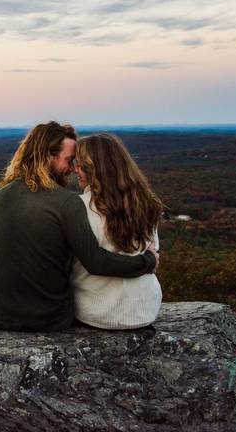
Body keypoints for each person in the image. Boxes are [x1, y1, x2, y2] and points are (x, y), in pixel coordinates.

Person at [0, 122, 159, 331]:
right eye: (69, 160)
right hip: (50, 318)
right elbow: (96, 262)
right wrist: (147, 261)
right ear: (48, 156)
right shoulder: (67, 202)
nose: (72, 169)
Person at [70, 133, 163, 329]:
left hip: (95, 312)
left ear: (94, 168)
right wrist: (148, 260)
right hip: (144, 309)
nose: (74, 169)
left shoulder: (78, 207)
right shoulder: (148, 204)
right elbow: (153, 252)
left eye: (79, 164)